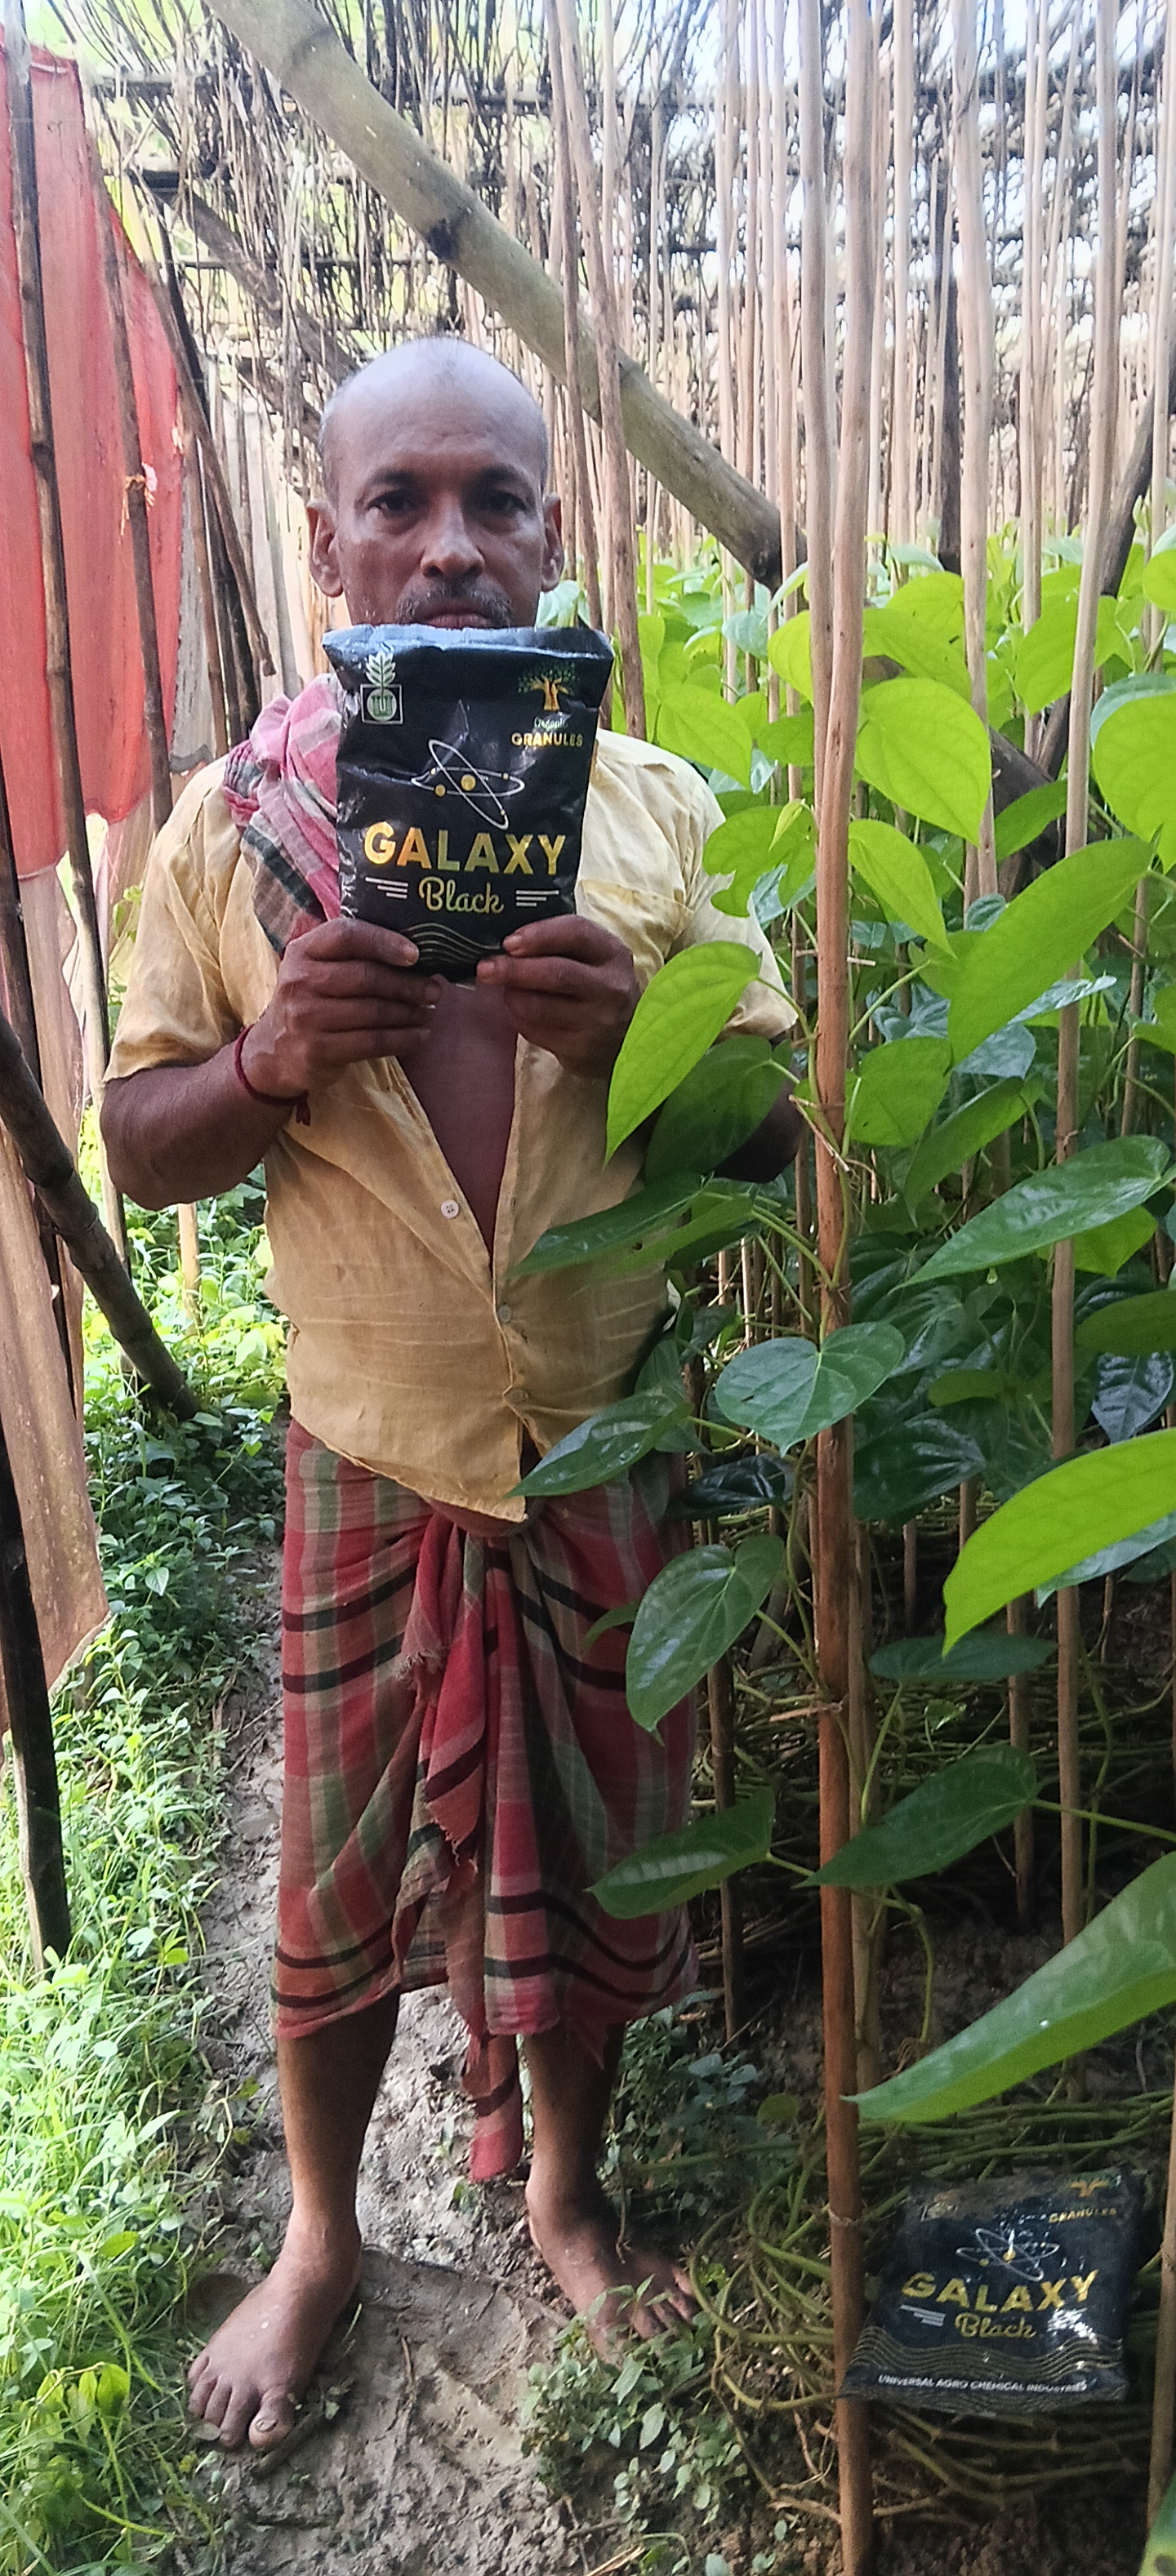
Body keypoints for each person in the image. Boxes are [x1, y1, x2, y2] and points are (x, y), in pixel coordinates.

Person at [102, 336, 802, 2456]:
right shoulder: (237, 834)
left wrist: (641, 1042)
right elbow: (137, 1141)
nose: (450, 545)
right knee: (334, 1882)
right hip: (372, 1445)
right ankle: (323, 2233)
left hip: (600, 1432)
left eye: (496, 501)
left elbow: (768, 1138)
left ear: (553, 537)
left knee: (600, 1852)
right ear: (328, 542)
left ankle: (568, 2191)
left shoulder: (650, 814)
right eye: (397, 501)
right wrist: (267, 1064)